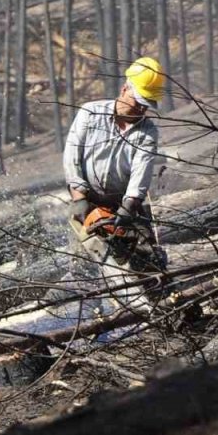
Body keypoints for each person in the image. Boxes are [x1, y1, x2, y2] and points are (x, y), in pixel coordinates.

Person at [61, 58, 167, 308]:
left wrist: (130, 205)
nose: (141, 111)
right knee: (86, 268)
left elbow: (142, 170)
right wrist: (79, 198)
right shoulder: (90, 113)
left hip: (125, 202)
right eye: (138, 103)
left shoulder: (147, 131)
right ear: (125, 89)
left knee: (149, 260)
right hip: (87, 200)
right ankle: (91, 322)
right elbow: (71, 156)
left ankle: (164, 307)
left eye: (146, 106)